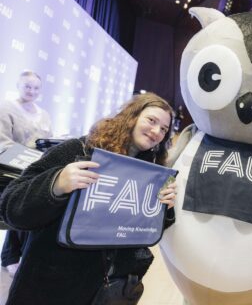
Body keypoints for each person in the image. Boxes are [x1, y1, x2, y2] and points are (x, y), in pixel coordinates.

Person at [0, 92, 177, 305]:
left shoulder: (152, 174)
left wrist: (164, 208)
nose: (157, 131)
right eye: (152, 120)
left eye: (164, 129)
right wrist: (56, 183)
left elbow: (144, 231)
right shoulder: (78, 151)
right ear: (131, 116)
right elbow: (11, 205)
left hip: (106, 291)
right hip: (49, 287)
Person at [0, 71, 52, 277]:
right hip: (10, 171)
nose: (32, 91)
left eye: (36, 88)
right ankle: (10, 257)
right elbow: (3, 143)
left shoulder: (44, 114)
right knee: (18, 210)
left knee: (30, 211)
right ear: (18, 86)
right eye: (27, 86)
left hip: (36, 171)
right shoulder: (5, 108)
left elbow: (48, 141)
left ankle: (16, 256)